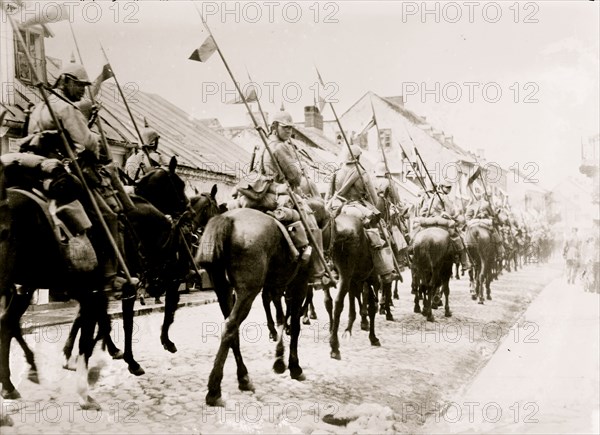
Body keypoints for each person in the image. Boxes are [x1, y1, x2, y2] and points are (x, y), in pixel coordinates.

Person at [25, 62, 132, 293]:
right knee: (109, 216)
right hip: (61, 169)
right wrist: (94, 143)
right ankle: (109, 276)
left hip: (34, 170)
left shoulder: (39, 106)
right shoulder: (66, 108)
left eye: (85, 86)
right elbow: (86, 143)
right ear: (65, 81)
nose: (83, 90)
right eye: (79, 85)